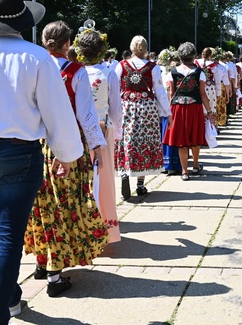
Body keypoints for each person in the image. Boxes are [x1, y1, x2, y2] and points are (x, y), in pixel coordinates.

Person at [0, 0, 82, 324]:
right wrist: (66, 153)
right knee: (9, 233)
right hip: (19, 152)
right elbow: (56, 111)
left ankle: (10, 299)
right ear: (23, 22)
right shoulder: (37, 58)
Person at [24, 20, 109, 297]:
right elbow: (85, 114)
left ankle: (42, 260)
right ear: (66, 44)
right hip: (69, 144)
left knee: (43, 203)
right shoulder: (75, 71)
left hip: (37, 143)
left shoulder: (32, 66)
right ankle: (54, 274)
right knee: (67, 204)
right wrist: (96, 144)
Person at [75, 28, 124, 243]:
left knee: (81, 178)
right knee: (103, 179)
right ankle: (105, 227)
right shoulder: (108, 73)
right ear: (102, 50)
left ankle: (82, 225)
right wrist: (118, 132)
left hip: (77, 130)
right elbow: (116, 107)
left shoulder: (74, 71)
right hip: (103, 128)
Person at [115, 36, 171, 200]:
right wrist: (167, 112)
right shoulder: (153, 68)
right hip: (146, 107)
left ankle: (125, 171)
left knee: (127, 140)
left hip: (127, 106)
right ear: (145, 49)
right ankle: (140, 184)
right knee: (145, 142)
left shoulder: (121, 66)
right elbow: (160, 91)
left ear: (131, 49)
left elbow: (114, 87)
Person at [163, 42, 214, 181]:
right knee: (195, 137)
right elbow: (203, 94)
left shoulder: (172, 72)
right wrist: (209, 111)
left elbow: (171, 94)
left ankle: (184, 171)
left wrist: (168, 111)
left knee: (181, 140)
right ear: (193, 56)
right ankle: (196, 165)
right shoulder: (199, 72)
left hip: (177, 108)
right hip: (194, 108)